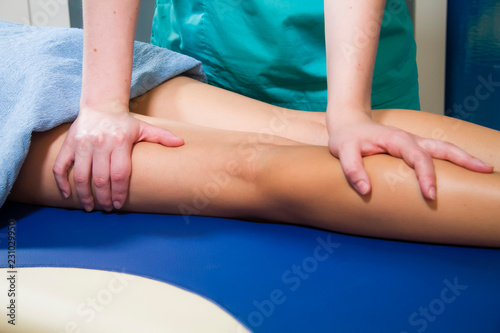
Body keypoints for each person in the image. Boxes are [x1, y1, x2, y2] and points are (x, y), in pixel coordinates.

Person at [53, 0, 482, 213]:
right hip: (204, 67)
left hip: (351, 67)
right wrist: (103, 104)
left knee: (398, 178)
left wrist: (349, 111)